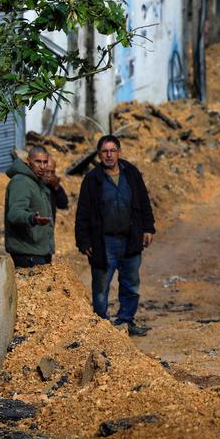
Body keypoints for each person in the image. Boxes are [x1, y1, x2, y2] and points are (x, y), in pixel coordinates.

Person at [75, 135, 155, 336]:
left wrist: (148, 228)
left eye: (112, 150)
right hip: (104, 242)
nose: (109, 155)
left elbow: (144, 202)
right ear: (99, 155)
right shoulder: (93, 179)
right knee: (101, 286)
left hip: (130, 239)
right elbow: (83, 212)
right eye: (104, 151)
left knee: (131, 284)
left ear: (119, 152)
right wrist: (84, 241)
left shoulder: (131, 173)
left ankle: (126, 321)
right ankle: (101, 327)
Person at [4, 146, 54, 268]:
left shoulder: (36, 183)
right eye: (38, 161)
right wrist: (32, 218)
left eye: (45, 162)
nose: (42, 166)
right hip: (27, 254)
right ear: (28, 161)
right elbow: (14, 213)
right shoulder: (21, 182)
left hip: (38, 252)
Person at [44, 155, 69, 221]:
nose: (49, 175)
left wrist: (56, 187)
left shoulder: (53, 185)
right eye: (47, 171)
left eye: (52, 172)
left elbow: (63, 204)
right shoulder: (33, 184)